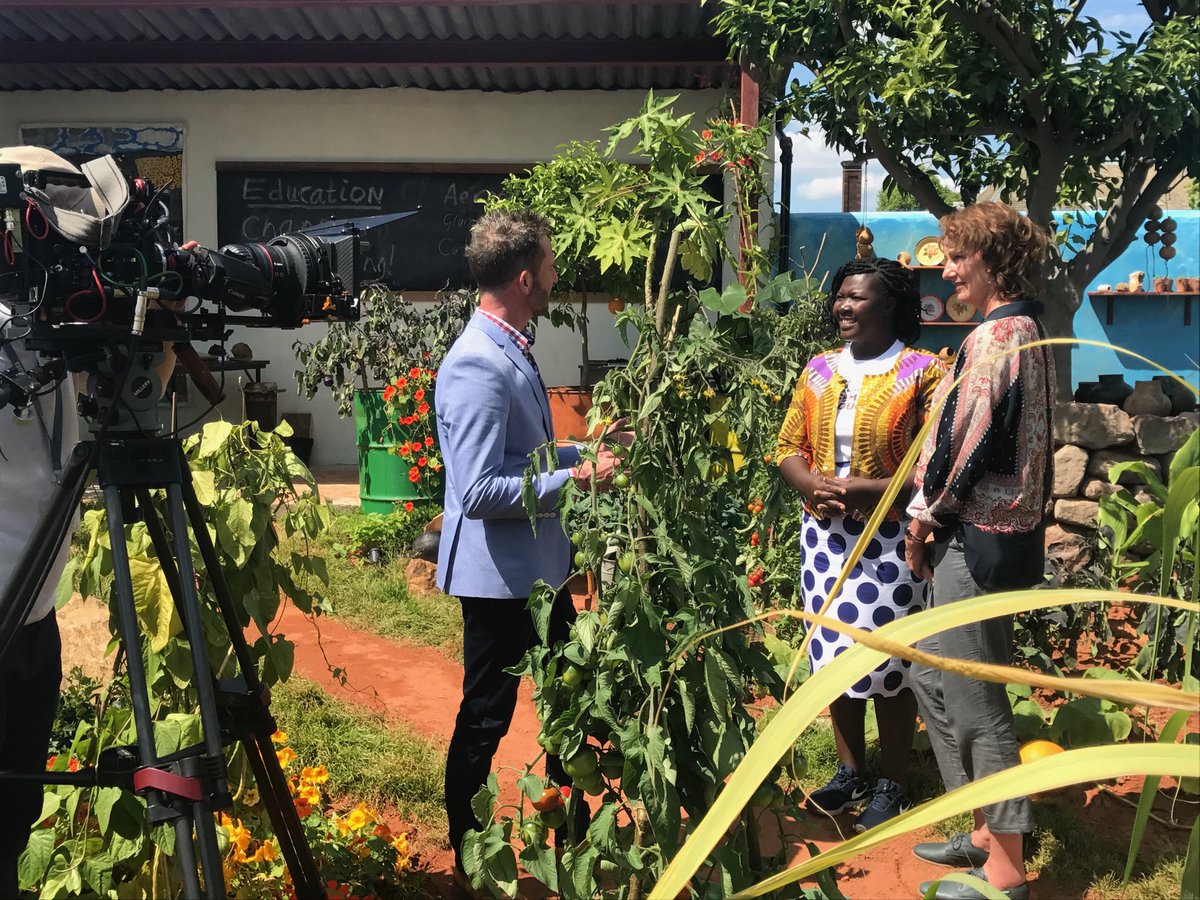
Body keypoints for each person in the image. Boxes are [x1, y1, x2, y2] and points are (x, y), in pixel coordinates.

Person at [435, 209, 622, 887]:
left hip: (533, 576)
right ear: (523, 276)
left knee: (570, 701)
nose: (553, 276)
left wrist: (590, 448)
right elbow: (481, 490)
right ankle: (467, 849)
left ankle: (568, 833)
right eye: (547, 265)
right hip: (500, 581)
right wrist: (575, 479)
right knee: (486, 716)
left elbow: (525, 452)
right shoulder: (477, 365)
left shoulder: (507, 342)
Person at [905, 202, 1055, 900]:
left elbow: (972, 444)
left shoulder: (1000, 337)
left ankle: (1006, 869)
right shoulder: (1012, 329)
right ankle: (982, 832)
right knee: (934, 678)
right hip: (985, 534)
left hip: (976, 535)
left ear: (992, 259)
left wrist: (927, 518)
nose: (947, 267)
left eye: (958, 255)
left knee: (972, 694)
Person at [776, 256, 946, 832]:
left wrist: (861, 489)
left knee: (890, 661)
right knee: (833, 654)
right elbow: (788, 445)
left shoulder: (924, 372)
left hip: (893, 538)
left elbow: (934, 463)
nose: (842, 306)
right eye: (840, 296)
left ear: (891, 304)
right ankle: (850, 771)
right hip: (826, 538)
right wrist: (809, 483)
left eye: (857, 298)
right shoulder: (820, 369)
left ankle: (893, 780)